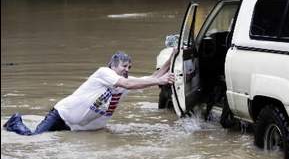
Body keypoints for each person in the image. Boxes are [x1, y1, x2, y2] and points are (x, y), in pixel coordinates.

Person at [3, 51, 175, 135]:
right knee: (33, 140)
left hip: (75, 126)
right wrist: (159, 81)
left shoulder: (122, 84)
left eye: (129, 67)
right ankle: (14, 122)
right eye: (123, 66)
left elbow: (152, 78)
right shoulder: (104, 73)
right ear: (112, 66)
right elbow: (130, 83)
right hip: (61, 114)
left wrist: (172, 57)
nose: (126, 70)